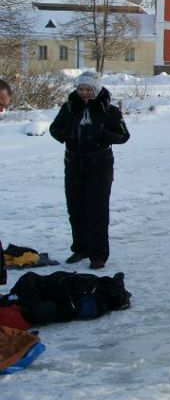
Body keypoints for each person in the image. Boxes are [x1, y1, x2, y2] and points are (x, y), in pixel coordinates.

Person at [48, 71, 130, 270]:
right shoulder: (69, 108)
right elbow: (54, 129)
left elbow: (124, 135)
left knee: (97, 210)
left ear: (96, 89)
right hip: (74, 163)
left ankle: (98, 254)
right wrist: (66, 134)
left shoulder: (108, 110)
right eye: (81, 89)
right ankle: (81, 248)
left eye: (88, 90)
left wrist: (103, 134)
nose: (84, 93)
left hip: (100, 165)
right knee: (76, 208)